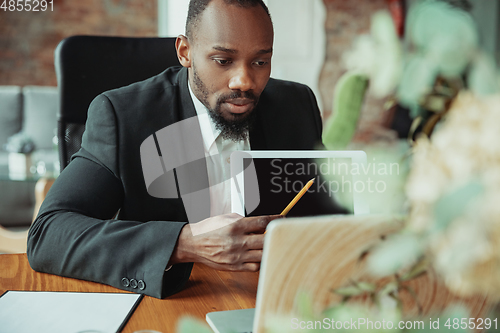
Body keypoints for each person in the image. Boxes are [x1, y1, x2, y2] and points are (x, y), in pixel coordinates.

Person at [27, 0, 326, 299]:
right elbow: (48, 234)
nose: (244, 81)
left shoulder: (295, 105)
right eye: (223, 60)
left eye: (260, 62)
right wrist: (184, 243)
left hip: (276, 298)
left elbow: (327, 214)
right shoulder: (123, 116)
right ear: (185, 52)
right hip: (177, 302)